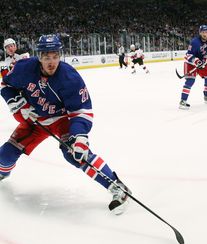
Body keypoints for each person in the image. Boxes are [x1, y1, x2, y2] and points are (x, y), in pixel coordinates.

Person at [0, 34, 131, 215]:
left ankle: (117, 187)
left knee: (75, 154)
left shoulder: (69, 77)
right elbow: (6, 85)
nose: (51, 62)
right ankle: (3, 172)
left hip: (61, 120)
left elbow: (81, 111)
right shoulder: (24, 68)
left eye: (55, 57)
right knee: (5, 155)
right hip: (35, 120)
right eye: (46, 57)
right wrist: (14, 100)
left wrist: (80, 137)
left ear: (60, 56)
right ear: (39, 57)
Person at [179, 25, 207, 110]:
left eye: (206, 32)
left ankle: (206, 97)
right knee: (190, 81)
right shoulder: (194, 42)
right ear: (200, 33)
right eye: (203, 32)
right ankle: (182, 101)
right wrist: (196, 61)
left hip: (202, 63)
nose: (205, 34)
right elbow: (188, 55)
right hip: (190, 63)